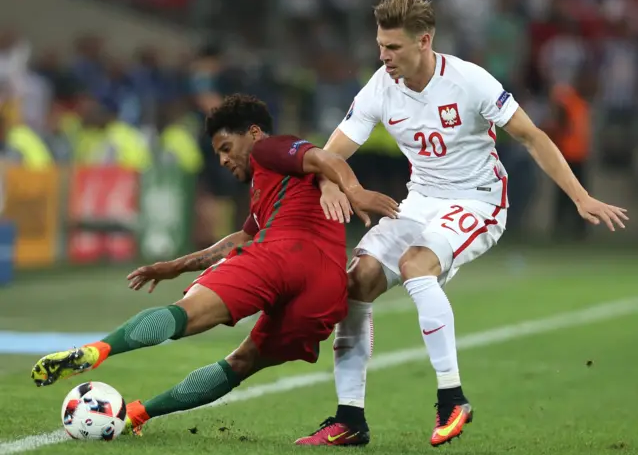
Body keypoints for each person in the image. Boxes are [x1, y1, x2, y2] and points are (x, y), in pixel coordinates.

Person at [295, 0, 628, 448]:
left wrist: (580, 196)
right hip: (420, 199)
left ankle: (452, 398)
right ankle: (350, 417)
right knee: (357, 280)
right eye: (380, 45)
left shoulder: (470, 81)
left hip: (478, 200)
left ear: (424, 41)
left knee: (416, 264)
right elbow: (334, 148)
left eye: (393, 47)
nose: (384, 56)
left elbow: (532, 137)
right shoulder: (380, 86)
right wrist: (330, 181)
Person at [30, 94, 399, 435]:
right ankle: (136, 415)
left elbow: (327, 157)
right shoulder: (270, 191)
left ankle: (97, 351)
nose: (223, 159)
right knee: (240, 363)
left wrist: (355, 191)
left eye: (226, 148)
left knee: (186, 314)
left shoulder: (269, 148)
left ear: (253, 134)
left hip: (283, 252)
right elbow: (242, 238)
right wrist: (177, 265)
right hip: (324, 287)